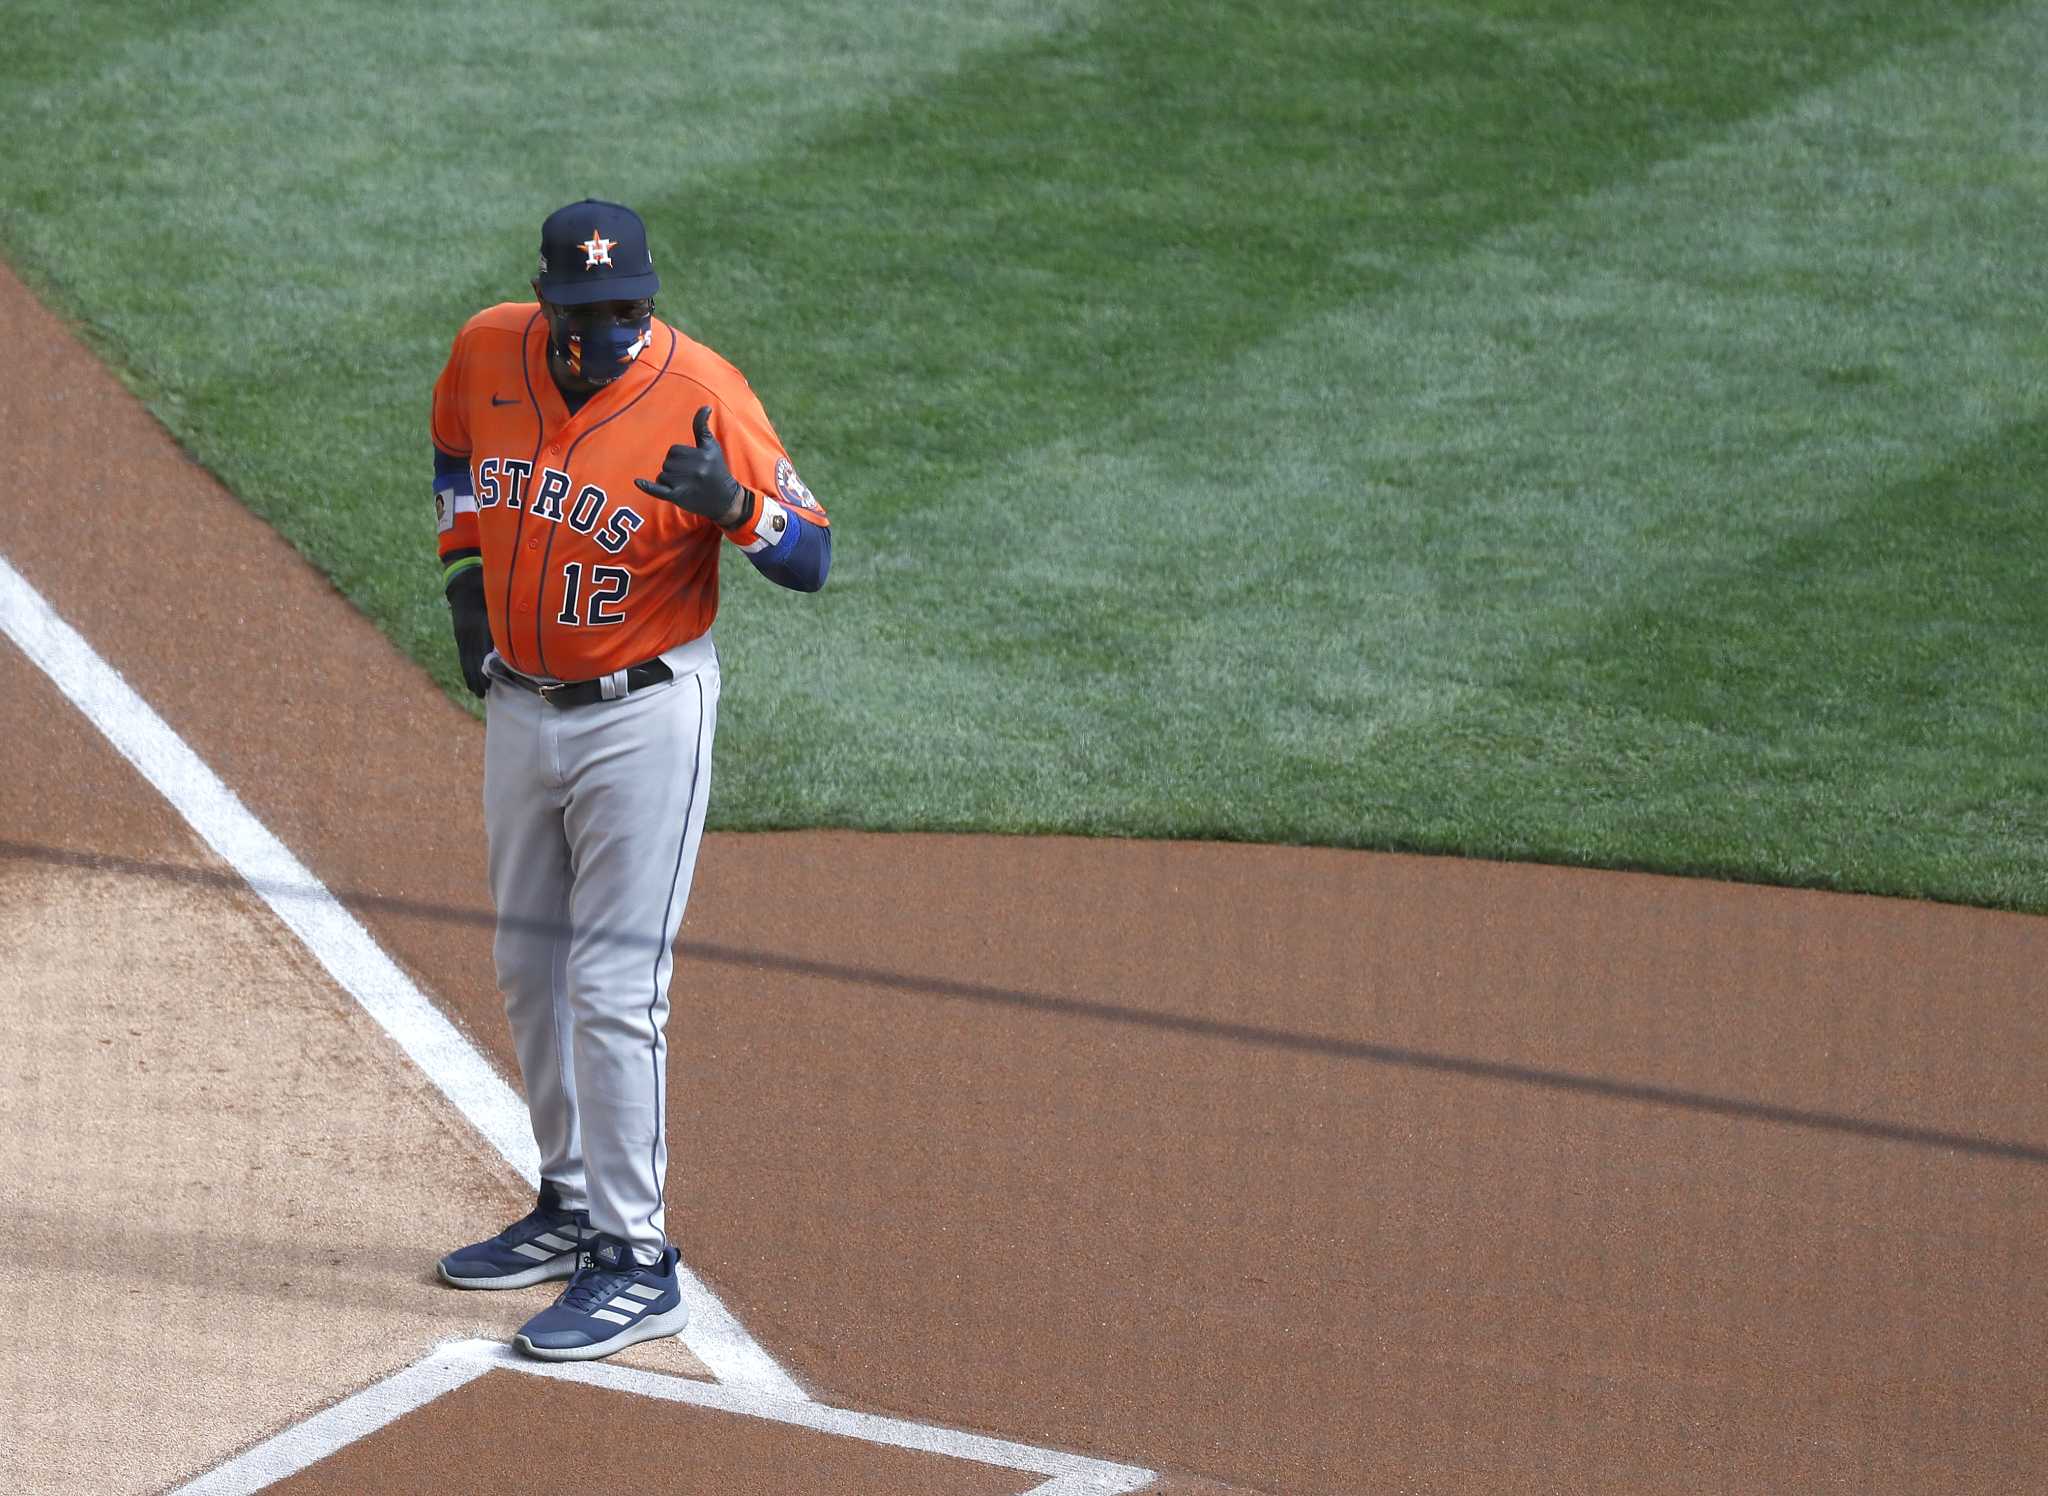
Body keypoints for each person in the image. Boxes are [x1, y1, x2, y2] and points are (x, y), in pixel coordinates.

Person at [426, 198, 831, 1361]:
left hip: (644, 715)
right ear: (547, 302)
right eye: (585, 311)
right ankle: (566, 1202)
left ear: (646, 297)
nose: (606, 329)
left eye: (625, 309)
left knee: (613, 983)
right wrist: (462, 573)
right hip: (519, 703)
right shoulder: (487, 348)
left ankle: (636, 1256)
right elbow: (455, 447)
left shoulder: (705, 390)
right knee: (526, 962)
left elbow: (812, 556)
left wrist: (736, 508)